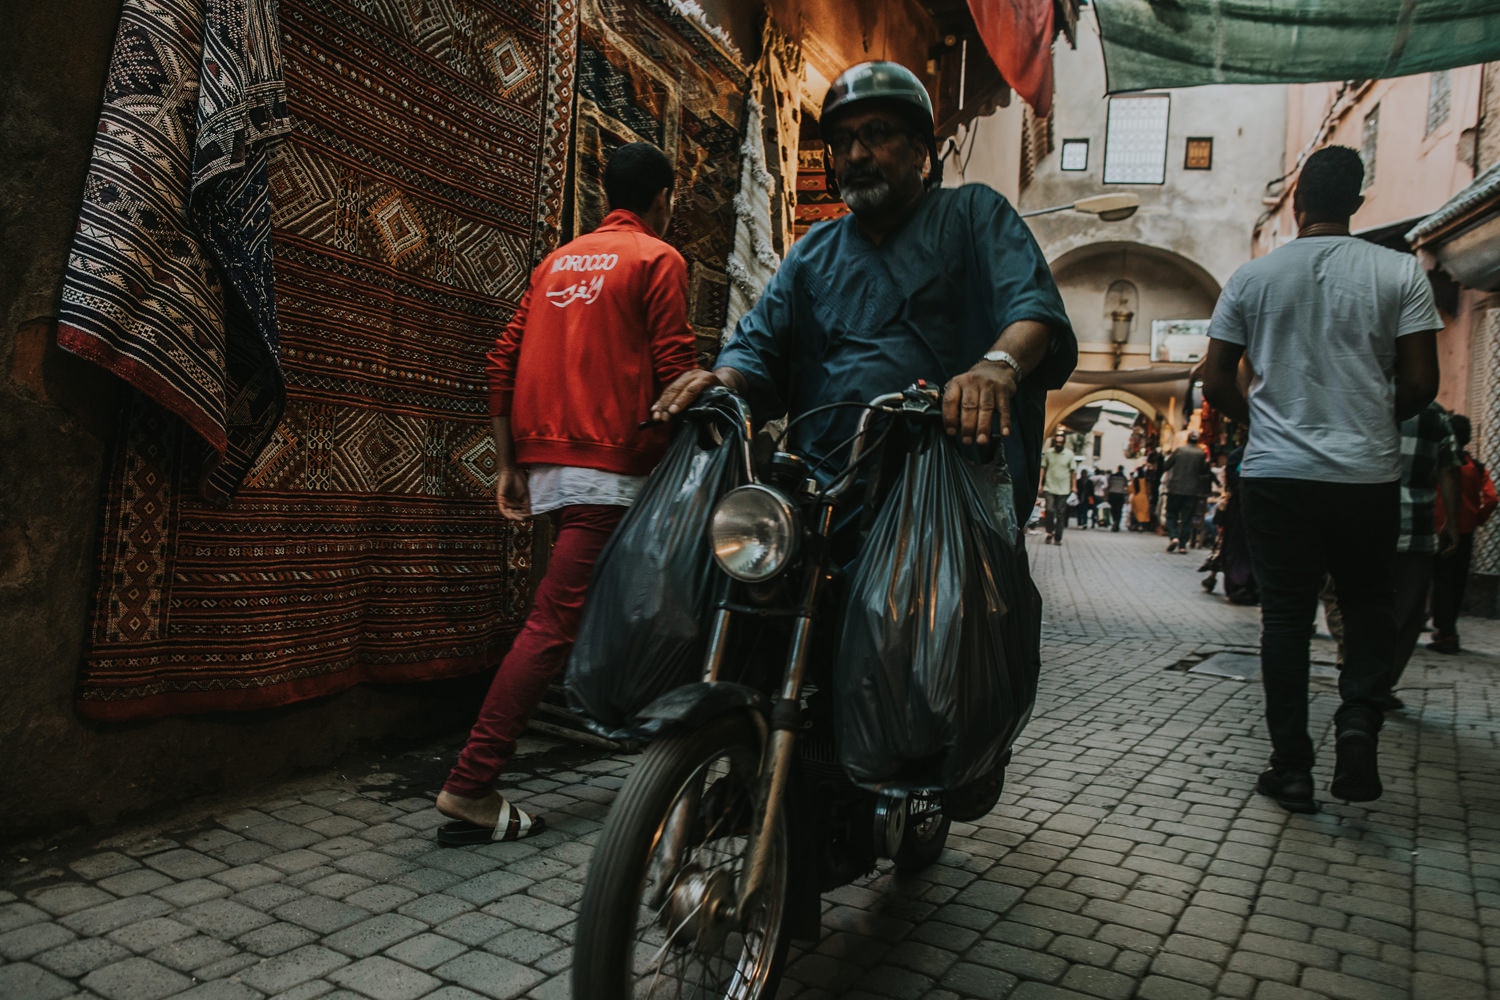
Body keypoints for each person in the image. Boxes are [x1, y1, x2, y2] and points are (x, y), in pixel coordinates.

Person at [650, 60, 1075, 572]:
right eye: (843, 142)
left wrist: (996, 367)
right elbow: (759, 346)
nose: (855, 155)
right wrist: (721, 380)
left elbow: (1033, 311)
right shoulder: (814, 252)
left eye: (875, 135)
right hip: (824, 496)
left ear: (920, 149)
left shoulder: (974, 215)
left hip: (937, 496)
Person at [434, 143, 697, 844]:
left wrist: (506, 462)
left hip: (554, 467)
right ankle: (472, 784)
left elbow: (502, 356)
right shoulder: (658, 259)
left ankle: (663, 756)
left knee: (615, 610)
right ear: (664, 198)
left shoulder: (557, 263)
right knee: (553, 626)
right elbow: (677, 371)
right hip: (613, 472)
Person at [1202, 145, 1442, 812]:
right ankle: (1359, 722)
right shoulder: (1399, 273)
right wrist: (1366, 419)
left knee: (1284, 619)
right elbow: (1423, 380)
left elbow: (1217, 380)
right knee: (1367, 603)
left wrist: (1266, 422)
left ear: (1297, 202)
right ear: (1358, 204)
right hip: (1365, 475)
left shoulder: (1253, 278)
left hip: (1279, 475)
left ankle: (1293, 768)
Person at [1384, 402, 1460, 697]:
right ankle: (1383, 683)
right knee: (1406, 611)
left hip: (1364, 523)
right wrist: (1452, 524)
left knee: (1360, 603)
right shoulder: (1435, 413)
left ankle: (1359, 675)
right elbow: (1450, 469)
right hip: (1415, 527)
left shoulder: (1365, 391)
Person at [1429, 414, 1498, 653]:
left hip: (1434, 528)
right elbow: (1491, 499)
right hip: (1464, 531)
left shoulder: (1437, 463)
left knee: (1425, 578)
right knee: (1454, 583)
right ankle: (1447, 632)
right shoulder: (1476, 468)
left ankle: (1417, 624)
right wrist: (1477, 518)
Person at [1162, 432, 1207, 553]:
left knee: (1171, 514)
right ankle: (1182, 545)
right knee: (1187, 518)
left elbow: (1166, 465)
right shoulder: (1201, 454)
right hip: (1192, 490)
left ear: (1187, 440)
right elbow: (1203, 471)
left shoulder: (1179, 450)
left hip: (1175, 488)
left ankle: (1174, 536)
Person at [1040, 431, 1076, 544]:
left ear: (1064, 443)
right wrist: (1040, 484)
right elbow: (1043, 469)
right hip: (1049, 487)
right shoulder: (1048, 453)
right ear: (1054, 442)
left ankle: (1058, 537)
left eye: (1061, 442)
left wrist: (1074, 486)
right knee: (1049, 510)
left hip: (1064, 489)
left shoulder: (1069, 454)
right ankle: (1050, 531)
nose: (1059, 444)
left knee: (1061, 513)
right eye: (1057, 442)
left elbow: (1073, 472)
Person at [1107, 465, 1129, 532]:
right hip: (1120, 495)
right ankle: (1117, 523)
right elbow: (1126, 487)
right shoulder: (1124, 478)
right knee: (1119, 510)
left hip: (1112, 494)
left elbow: (1109, 485)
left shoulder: (1112, 476)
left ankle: (1114, 521)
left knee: (1113, 509)